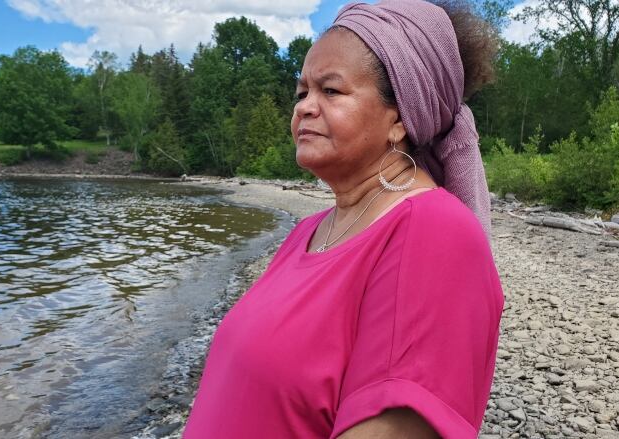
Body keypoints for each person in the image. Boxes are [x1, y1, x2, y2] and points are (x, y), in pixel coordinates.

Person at [182, 0, 504, 437]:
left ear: (400, 118)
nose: (304, 108)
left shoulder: (434, 232)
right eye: (301, 93)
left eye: (330, 91)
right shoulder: (306, 232)